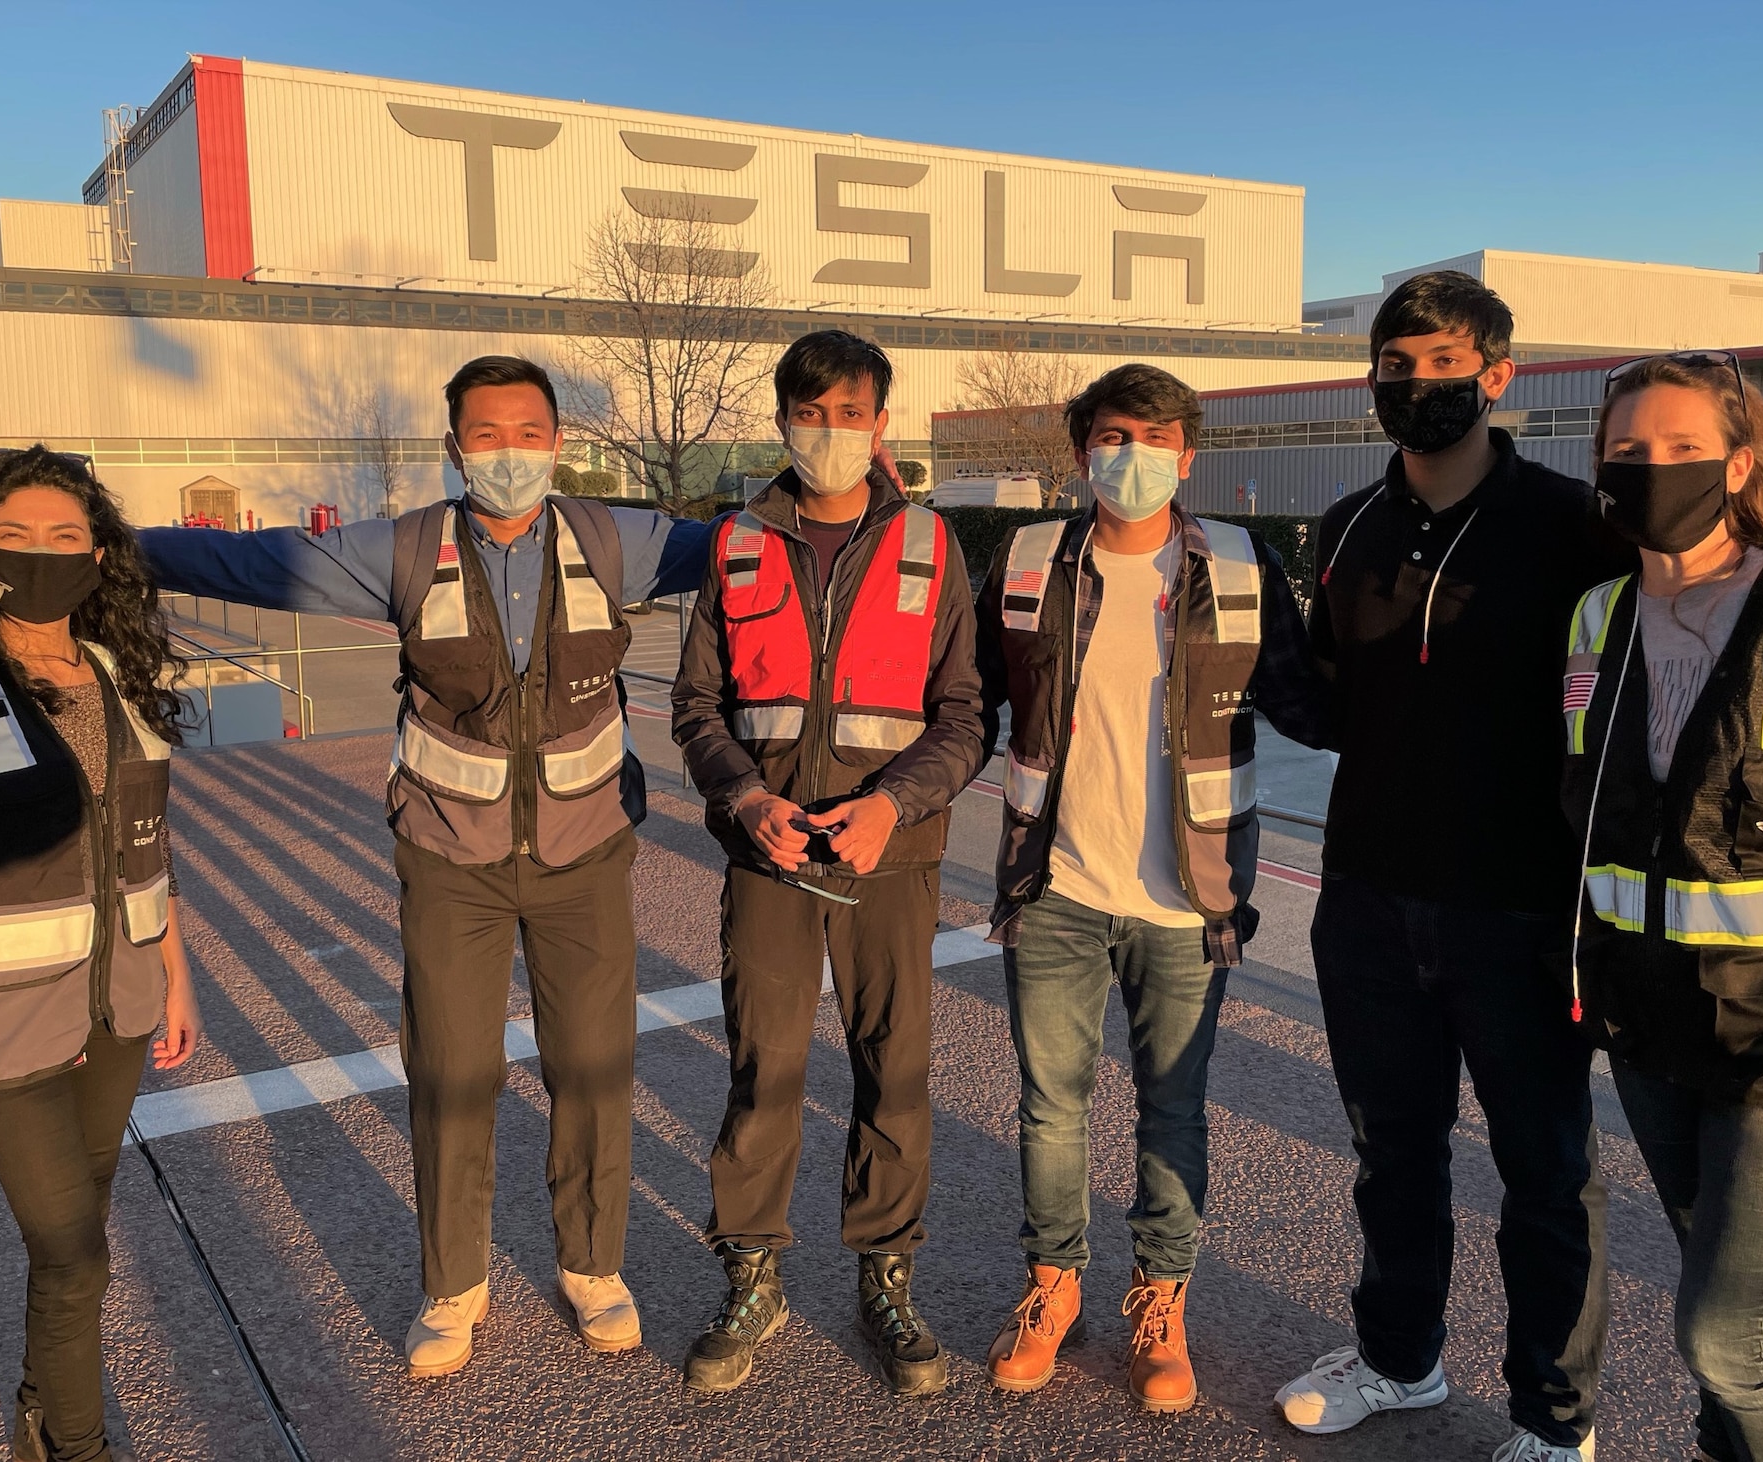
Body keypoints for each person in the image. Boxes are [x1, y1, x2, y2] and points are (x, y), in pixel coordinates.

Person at [136, 356, 710, 1377]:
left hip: (584, 854)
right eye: (485, 435)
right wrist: (112, 547)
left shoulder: (612, 538)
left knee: (593, 1065)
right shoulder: (405, 550)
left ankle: (592, 1265)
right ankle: (454, 1282)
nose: (509, 453)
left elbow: (744, 549)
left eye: (528, 431)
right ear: (454, 450)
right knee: (451, 1071)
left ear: (557, 441)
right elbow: (256, 564)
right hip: (452, 858)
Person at [1276, 272, 1625, 1462]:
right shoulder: (1347, 528)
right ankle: (1397, 1357)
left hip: (1521, 910)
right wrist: (1236, 661)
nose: (1415, 385)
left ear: (1495, 375)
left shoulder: (1578, 526)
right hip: (1366, 898)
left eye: (1440, 362)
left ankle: (1551, 1418)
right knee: (1392, 1154)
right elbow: (1333, 702)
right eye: (1394, 363)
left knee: (1545, 1175)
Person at [972, 364, 1330, 1412]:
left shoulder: (1237, 561)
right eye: (1114, 434)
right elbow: (962, 697)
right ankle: (1052, 1287)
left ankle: (1158, 1300)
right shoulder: (1030, 555)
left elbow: (1308, 701)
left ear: (1188, 451)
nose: (1134, 454)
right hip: (1056, 889)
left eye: (1157, 435)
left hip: (1188, 900)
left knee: (1172, 1110)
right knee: (1050, 1109)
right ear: (1082, 447)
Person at [1564, 352, 1763, 1462]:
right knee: (1722, 1292)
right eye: (1624, 453)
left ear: (1739, 465)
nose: (1649, 471)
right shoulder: (1592, 623)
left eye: (1680, 450)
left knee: (1724, 1337)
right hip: (1650, 1029)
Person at [670, 330, 986, 1396]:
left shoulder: (932, 547)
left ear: (880, 423)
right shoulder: (734, 545)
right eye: (811, 414)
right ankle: (750, 1268)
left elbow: (961, 717)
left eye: (851, 414)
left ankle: (885, 1277)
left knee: (891, 1069)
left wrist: (891, 805)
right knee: (763, 1068)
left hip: (886, 860)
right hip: (767, 853)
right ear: (782, 423)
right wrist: (741, 794)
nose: (831, 433)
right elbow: (695, 707)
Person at [0, 446, 204, 1462]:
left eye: (64, 537)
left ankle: (38, 1410)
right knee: (73, 1257)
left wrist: (174, 975)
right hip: (3, 1025)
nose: (40, 556)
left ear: (98, 554)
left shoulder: (115, 674)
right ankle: (77, 1443)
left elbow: (146, 845)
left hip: (117, 1007)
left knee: (76, 1241)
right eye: (13, 538)